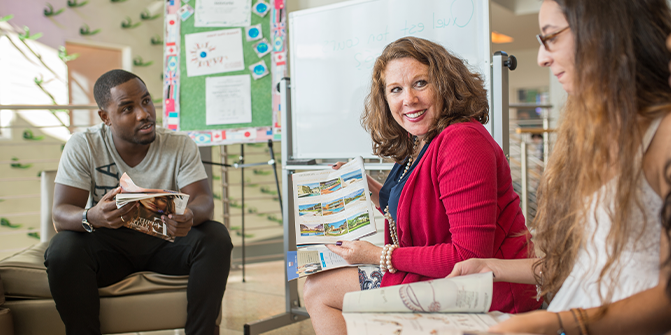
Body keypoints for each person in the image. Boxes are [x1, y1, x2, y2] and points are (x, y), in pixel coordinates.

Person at [449, 0, 671, 334]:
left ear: (606, 33)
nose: (542, 57)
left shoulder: (664, 135)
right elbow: (582, 266)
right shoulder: (600, 134)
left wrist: (557, 323)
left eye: (552, 37)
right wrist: (490, 266)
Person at [302, 36, 542, 335]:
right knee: (318, 284)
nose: (409, 100)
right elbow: (423, 205)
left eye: (420, 83)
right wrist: (368, 188)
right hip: (449, 277)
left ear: (444, 84)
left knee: (318, 291)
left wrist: (376, 256)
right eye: (396, 89)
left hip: (487, 289)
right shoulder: (425, 139)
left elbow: (468, 256)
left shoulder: (462, 141)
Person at [45, 69, 234, 335]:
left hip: (166, 244)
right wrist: (93, 216)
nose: (144, 114)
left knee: (215, 235)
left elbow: (204, 200)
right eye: (127, 108)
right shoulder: (83, 144)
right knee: (63, 248)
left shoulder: (179, 144)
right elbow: (61, 214)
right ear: (105, 117)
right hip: (109, 246)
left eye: (146, 101)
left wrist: (189, 215)